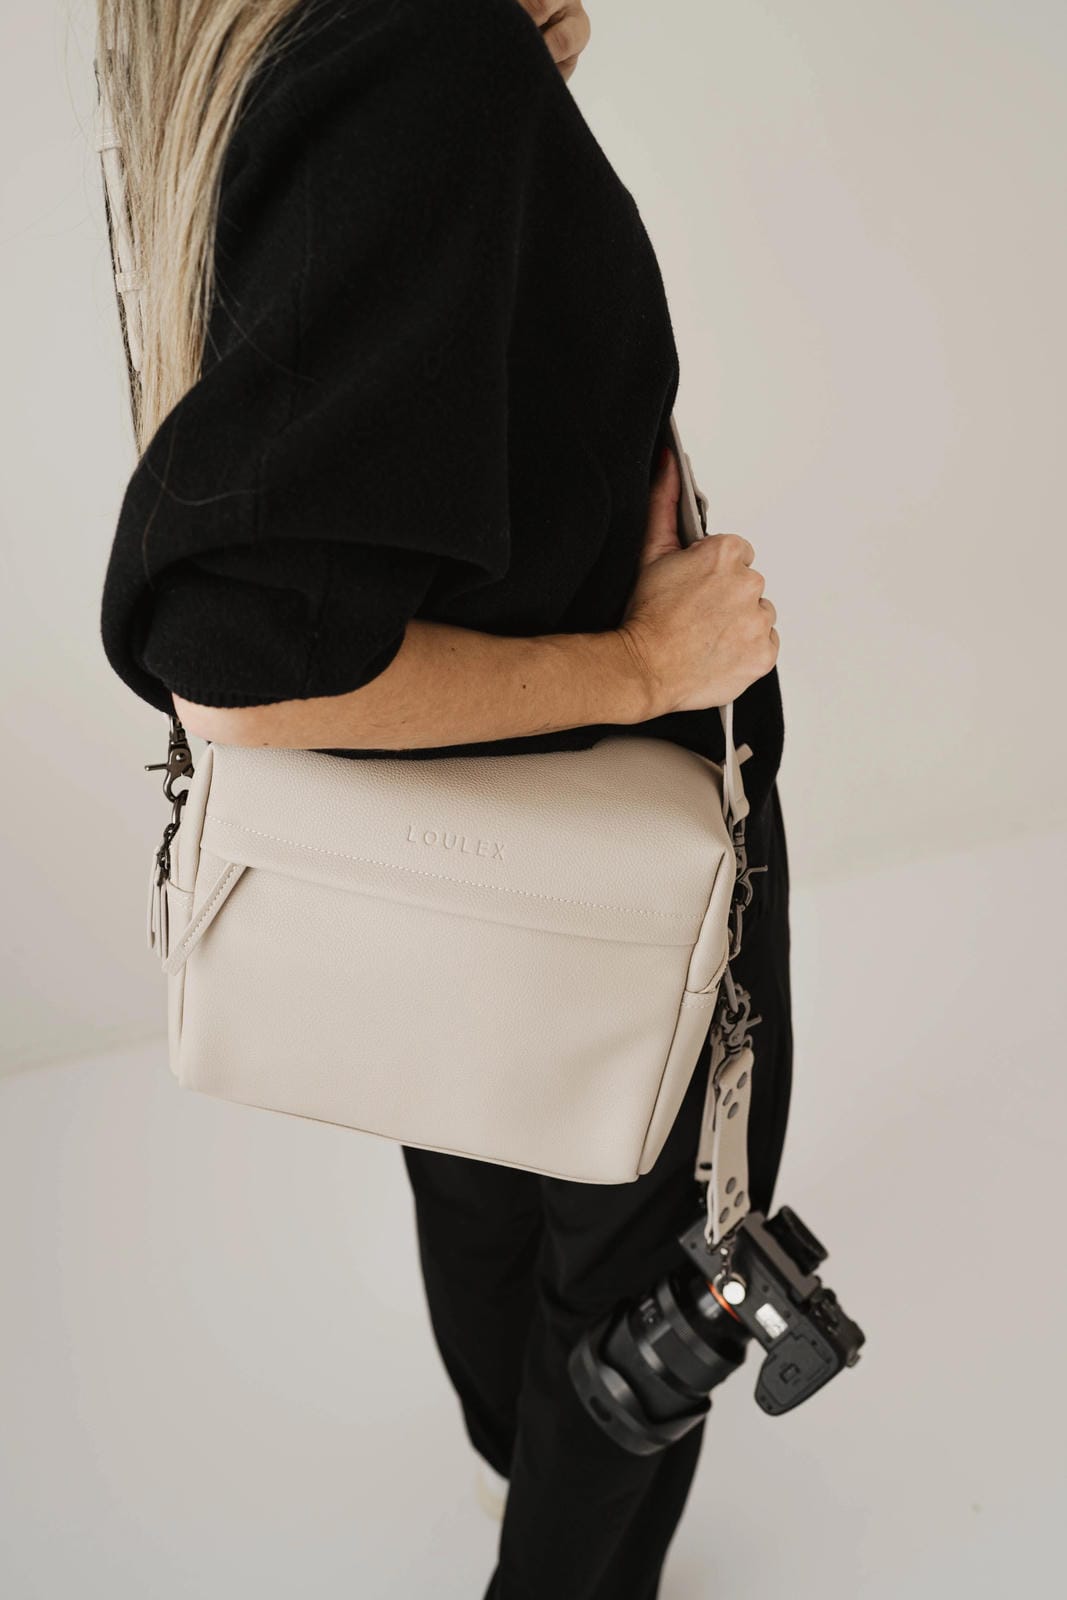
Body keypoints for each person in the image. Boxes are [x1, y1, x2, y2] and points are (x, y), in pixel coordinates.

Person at [96, 2, 791, 1594]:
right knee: (646, 1288)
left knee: (479, 1168)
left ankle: (518, 1462)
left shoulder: (249, 52)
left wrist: (496, 137)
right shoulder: (417, 64)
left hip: (440, 846)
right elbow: (238, 666)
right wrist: (638, 664)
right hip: (611, 837)